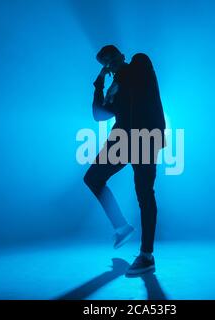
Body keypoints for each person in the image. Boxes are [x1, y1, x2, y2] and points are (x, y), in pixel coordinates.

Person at [83, 45, 166, 276]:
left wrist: (117, 81)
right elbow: (99, 115)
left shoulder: (139, 63)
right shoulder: (114, 86)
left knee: (144, 193)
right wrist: (100, 83)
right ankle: (121, 225)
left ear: (121, 56)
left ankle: (147, 255)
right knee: (92, 178)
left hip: (146, 136)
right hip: (122, 139)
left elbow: (138, 83)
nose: (109, 63)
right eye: (104, 63)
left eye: (111, 58)